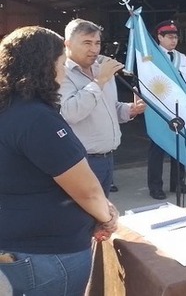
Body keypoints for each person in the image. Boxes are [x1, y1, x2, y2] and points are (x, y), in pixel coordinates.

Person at [0, 26, 118, 296]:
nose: (63, 71)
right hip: (48, 256)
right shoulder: (37, 118)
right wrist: (107, 216)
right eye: (61, 64)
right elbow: (86, 190)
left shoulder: (8, 107)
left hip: (16, 244)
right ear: (44, 66)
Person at [59, 19, 146, 196]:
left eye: (97, 43)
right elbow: (70, 113)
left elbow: (110, 108)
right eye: (87, 43)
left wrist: (130, 109)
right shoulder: (62, 74)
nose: (94, 49)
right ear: (67, 44)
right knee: (83, 219)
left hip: (108, 158)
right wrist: (99, 81)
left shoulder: (102, 70)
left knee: (102, 218)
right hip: (80, 162)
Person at [147, 20, 186, 199]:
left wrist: (183, 94)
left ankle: (178, 182)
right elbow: (148, 82)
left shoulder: (181, 57)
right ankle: (155, 186)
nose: (173, 40)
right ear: (159, 37)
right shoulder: (151, 57)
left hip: (180, 107)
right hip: (160, 108)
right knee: (158, 147)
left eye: (175, 37)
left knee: (179, 145)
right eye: (169, 37)